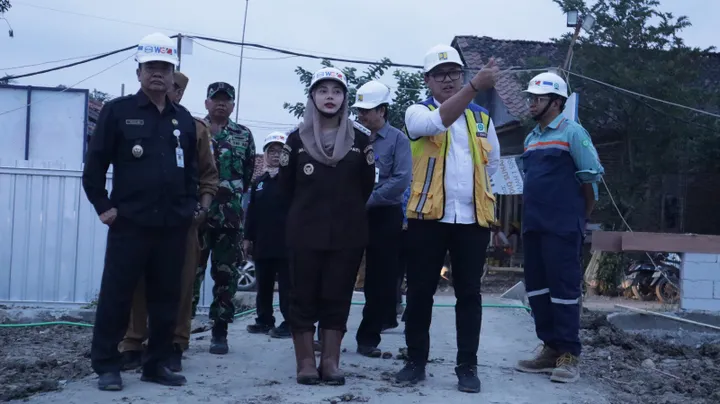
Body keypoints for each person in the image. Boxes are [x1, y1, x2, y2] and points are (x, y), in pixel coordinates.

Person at [81, 32, 196, 391]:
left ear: (173, 73)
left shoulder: (183, 119)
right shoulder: (118, 112)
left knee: (166, 298)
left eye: (164, 67)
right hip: (130, 223)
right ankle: (107, 365)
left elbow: (191, 171)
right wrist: (103, 206)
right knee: (117, 296)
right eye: (150, 67)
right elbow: (94, 165)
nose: (157, 73)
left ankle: (156, 364)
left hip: (171, 225)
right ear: (139, 72)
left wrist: (188, 208)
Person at [395, 44, 500, 394]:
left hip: (472, 221)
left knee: (469, 295)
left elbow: (492, 167)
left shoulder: (483, 119)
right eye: (439, 74)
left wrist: (481, 205)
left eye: (454, 72)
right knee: (420, 293)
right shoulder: (417, 112)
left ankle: (467, 366)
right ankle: (415, 361)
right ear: (427, 80)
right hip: (427, 219)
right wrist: (474, 87)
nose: (448, 79)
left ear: (462, 74)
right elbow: (436, 122)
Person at [279, 67, 375, 386]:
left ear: (345, 98)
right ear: (312, 97)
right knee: (302, 295)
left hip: (347, 234)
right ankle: (306, 361)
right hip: (304, 234)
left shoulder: (360, 140)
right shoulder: (296, 139)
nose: (330, 97)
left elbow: (366, 186)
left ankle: (331, 361)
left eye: (336, 91)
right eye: (323, 91)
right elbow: (285, 189)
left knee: (338, 295)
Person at [118, 71, 219, 372]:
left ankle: (175, 343)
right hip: (140, 218)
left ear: (180, 93)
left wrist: (201, 211)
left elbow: (209, 176)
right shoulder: (132, 119)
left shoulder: (194, 127)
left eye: (172, 87)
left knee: (180, 283)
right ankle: (133, 343)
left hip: (181, 221)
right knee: (136, 282)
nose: (163, 89)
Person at [514, 72, 604, 383]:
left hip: (563, 227)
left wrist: (578, 217)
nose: (531, 103)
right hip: (534, 225)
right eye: (531, 97)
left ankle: (569, 354)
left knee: (564, 290)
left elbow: (591, 178)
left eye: (537, 98)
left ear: (556, 102)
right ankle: (550, 348)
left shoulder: (573, 133)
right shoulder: (531, 138)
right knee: (538, 289)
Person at [191, 82, 256, 355]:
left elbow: (248, 175)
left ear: (232, 105)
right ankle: (179, 330)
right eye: (215, 99)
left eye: (226, 100)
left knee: (226, 276)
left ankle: (220, 332)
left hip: (229, 219)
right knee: (189, 275)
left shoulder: (243, 135)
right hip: (196, 217)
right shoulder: (194, 129)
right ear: (206, 103)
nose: (220, 104)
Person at [352, 80, 412, 357]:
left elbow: (401, 179)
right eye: (359, 111)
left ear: (382, 110)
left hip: (384, 214)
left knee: (379, 279)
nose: (362, 115)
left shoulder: (398, 140)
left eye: (367, 110)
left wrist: (368, 200)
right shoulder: (351, 137)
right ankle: (327, 334)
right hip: (350, 213)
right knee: (339, 272)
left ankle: (368, 338)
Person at [244, 132, 292, 339]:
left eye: (279, 151)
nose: (275, 154)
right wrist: (247, 238)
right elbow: (251, 212)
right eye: (271, 150)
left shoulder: (292, 180)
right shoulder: (259, 182)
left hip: (286, 243)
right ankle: (264, 320)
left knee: (288, 286)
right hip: (263, 242)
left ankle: (290, 323)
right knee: (263, 285)